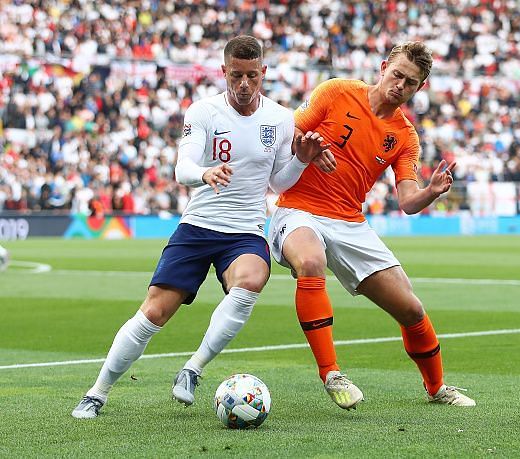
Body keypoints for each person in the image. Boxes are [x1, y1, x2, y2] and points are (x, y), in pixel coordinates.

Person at [72, 35, 332, 419]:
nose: (244, 85)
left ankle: (193, 369)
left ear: (263, 74)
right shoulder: (203, 112)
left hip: (244, 229)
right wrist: (205, 173)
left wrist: (302, 160)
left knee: (252, 279)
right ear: (223, 72)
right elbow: (182, 168)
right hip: (198, 226)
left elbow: (278, 184)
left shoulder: (279, 118)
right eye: (236, 76)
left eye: (252, 77)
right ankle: (98, 391)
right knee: (154, 312)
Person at [268, 41, 476, 409]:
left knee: (411, 310)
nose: (400, 85)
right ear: (383, 67)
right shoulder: (336, 91)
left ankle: (437, 388)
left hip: (349, 222)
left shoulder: (405, 136)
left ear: (419, 88)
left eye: (410, 82)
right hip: (298, 208)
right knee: (311, 262)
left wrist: (430, 192)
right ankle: (331, 372)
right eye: (397, 74)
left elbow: (408, 201)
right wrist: (309, 149)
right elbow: (284, 135)